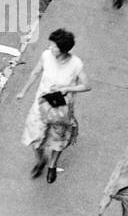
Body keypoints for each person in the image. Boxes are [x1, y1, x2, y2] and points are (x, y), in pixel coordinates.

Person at [17, 28, 91, 183]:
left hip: (61, 109)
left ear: (63, 50)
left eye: (54, 46)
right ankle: (40, 160)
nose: (50, 48)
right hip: (41, 105)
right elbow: (35, 73)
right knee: (34, 136)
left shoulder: (76, 64)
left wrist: (67, 89)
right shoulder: (46, 56)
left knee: (58, 138)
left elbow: (86, 85)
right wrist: (23, 91)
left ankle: (52, 165)